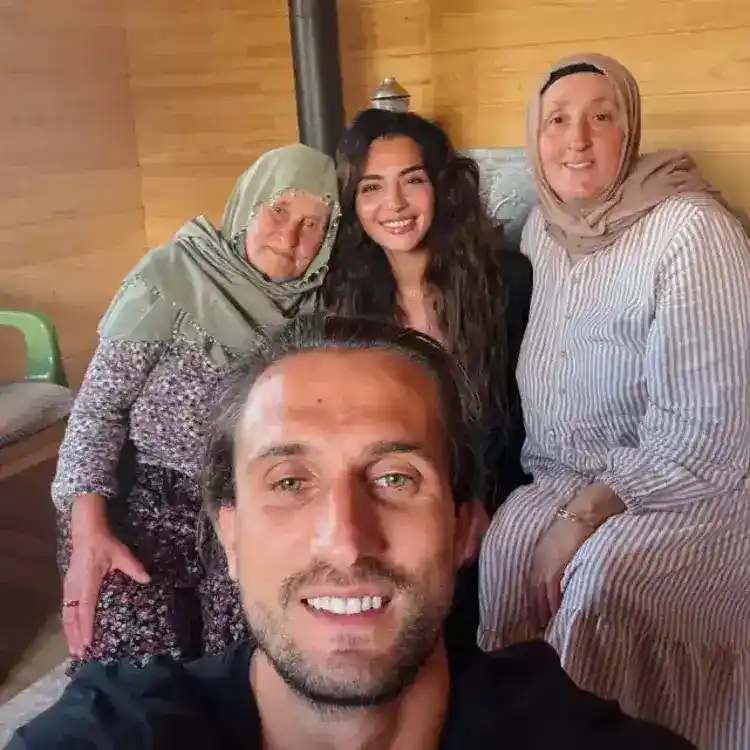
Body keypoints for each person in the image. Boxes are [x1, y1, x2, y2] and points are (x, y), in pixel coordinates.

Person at [9, 314, 695, 750]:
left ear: (465, 529)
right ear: (231, 537)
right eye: (289, 483)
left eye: (395, 478)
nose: (344, 540)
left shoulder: (562, 733)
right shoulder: (121, 730)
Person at [479, 52, 750, 749]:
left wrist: (587, 513)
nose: (577, 139)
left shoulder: (691, 231)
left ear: (629, 133)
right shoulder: (544, 230)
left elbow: (710, 430)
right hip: (567, 473)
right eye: (557, 120)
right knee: (505, 543)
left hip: (695, 485)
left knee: (601, 576)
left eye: (601, 117)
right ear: (535, 137)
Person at [51, 144, 340, 674]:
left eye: (312, 225)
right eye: (278, 210)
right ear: (248, 204)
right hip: (141, 498)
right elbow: (97, 410)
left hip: (247, 504)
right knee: (132, 668)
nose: (289, 237)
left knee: (252, 664)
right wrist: (87, 529)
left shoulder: (317, 314)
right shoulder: (170, 281)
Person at [323, 108, 532, 515]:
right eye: (371, 187)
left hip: (497, 499)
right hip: (391, 503)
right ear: (353, 203)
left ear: (441, 187)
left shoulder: (508, 281)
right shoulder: (338, 298)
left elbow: (524, 425)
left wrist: (478, 508)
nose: (395, 203)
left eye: (413, 180)